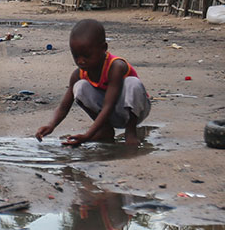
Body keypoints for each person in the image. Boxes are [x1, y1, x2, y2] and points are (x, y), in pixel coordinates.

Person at [35, 18, 151, 148]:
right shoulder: (78, 74)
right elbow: (64, 106)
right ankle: (105, 130)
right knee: (80, 87)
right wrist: (51, 126)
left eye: (86, 56)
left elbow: (109, 105)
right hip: (110, 115)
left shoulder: (116, 67)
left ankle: (130, 131)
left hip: (134, 111)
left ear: (104, 48)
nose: (81, 61)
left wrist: (87, 135)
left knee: (132, 83)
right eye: (76, 56)